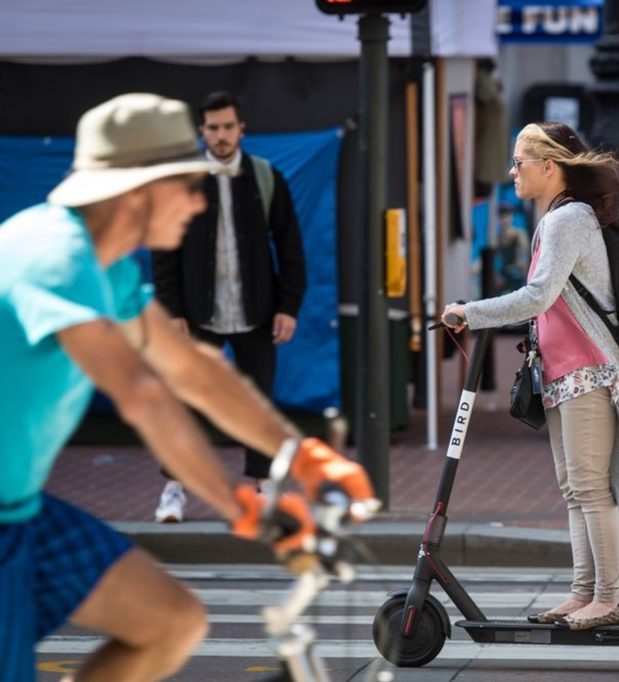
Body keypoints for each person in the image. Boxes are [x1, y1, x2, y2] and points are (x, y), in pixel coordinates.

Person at [0, 93, 375, 682]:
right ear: (137, 191)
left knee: (170, 621)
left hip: (18, 511)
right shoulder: (59, 258)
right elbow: (145, 395)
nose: (199, 199)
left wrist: (297, 456)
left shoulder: (108, 265)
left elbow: (193, 370)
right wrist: (242, 510)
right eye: (187, 184)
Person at [442, 122, 619, 630]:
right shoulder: (559, 218)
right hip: (564, 373)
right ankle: (584, 593)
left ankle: (609, 598)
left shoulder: (568, 220)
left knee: (590, 489)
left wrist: (471, 311)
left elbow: (538, 295)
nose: (512, 172)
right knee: (576, 490)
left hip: (589, 373)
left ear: (549, 166)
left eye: (520, 162)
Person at [151, 90, 307, 522]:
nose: (221, 135)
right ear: (202, 131)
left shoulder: (264, 177)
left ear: (241, 129)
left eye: (228, 126)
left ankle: (258, 488)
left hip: (254, 309)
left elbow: (290, 247)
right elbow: (163, 249)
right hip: (196, 312)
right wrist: (172, 311)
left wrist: (287, 306)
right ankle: (174, 489)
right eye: (213, 128)